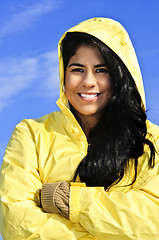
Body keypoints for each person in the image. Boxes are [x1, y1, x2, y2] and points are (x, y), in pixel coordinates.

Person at [0, 17, 159, 240]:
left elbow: (153, 223)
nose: (88, 81)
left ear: (119, 76)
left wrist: (69, 201)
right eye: (77, 69)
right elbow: (16, 224)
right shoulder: (31, 135)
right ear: (63, 75)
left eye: (101, 70)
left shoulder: (152, 140)